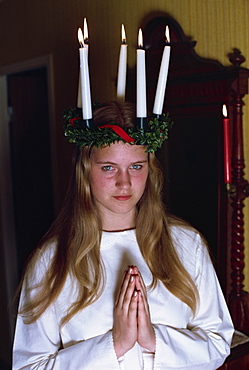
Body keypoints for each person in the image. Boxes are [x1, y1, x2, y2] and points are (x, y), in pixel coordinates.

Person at [13, 101, 234, 370]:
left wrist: (154, 341)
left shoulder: (187, 244)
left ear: (150, 169)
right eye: (108, 167)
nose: (124, 182)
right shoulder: (51, 261)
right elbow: (29, 366)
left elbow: (218, 343)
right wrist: (115, 346)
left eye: (136, 167)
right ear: (85, 171)